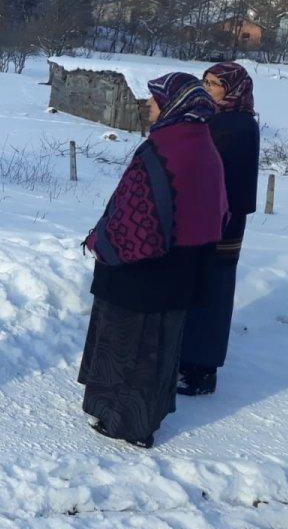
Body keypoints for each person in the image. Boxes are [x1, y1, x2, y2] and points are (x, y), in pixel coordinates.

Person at [78, 72, 227, 448]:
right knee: (160, 348)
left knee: (129, 347)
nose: (148, 104)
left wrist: (103, 241)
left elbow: (136, 215)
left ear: (173, 105)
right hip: (183, 269)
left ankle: (128, 424)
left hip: (143, 274)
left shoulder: (166, 147)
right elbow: (219, 212)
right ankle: (143, 415)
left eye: (155, 98)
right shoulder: (202, 142)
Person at [179, 63, 260, 396]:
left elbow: (221, 177)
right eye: (205, 81)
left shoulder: (234, 125)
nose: (207, 87)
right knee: (200, 288)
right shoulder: (216, 118)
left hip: (222, 223)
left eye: (215, 83)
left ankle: (202, 371)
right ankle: (190, 360)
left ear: (234, 89)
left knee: (213, 292)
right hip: (209, 217)